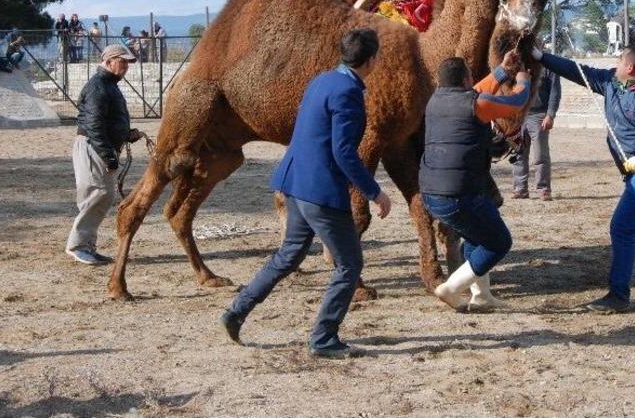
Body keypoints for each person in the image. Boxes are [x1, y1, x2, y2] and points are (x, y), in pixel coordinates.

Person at [220, 28, 391, 359]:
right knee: (349, 265)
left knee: (290, 255)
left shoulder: (322, 80)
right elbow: (344, 152)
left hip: (295, 180)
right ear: (371, 60)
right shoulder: (348, 92)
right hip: (320, 189)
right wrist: (375, 192)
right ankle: (323, 338)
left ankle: (236, 311)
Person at [532, 42, 635, 313]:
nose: (615, 63)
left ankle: (618, 295)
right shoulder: (609, 81)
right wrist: (542, 57)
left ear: (630, 68)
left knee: (621, 228)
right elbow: (577, 70)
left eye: (619, 60)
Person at [423, 54, 531, 312]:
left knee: (475, 235)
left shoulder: (435, 101)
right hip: (459, 195)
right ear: (464, 79)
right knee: (499, 242)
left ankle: (481, 296)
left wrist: (502, 70)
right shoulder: (477, 104)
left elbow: (475, 93)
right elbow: (515, 103)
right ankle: (450, 288)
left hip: (432, 193)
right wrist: (524, 82)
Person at [66, 44, 143, 266]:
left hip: (98, 145)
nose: (126, 66)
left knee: (101, 194)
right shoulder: (98, 86)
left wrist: (126, 134)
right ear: (109, 61)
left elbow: (105, 121)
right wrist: (108, 154)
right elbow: (93, 124)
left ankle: (86, 245)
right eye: (123, 61)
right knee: (97, 194)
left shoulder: (107, 85)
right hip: (93, 145)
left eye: (128, 62)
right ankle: (78, 246)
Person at [511, 56, 561, 200]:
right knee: (518, 153)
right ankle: (520, 189)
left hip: (539, 115)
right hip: (518, 115)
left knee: (541, 155)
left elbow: (555, 92)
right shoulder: (516, 63)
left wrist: (550, 115)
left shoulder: (549, 66)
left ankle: (544, 189)